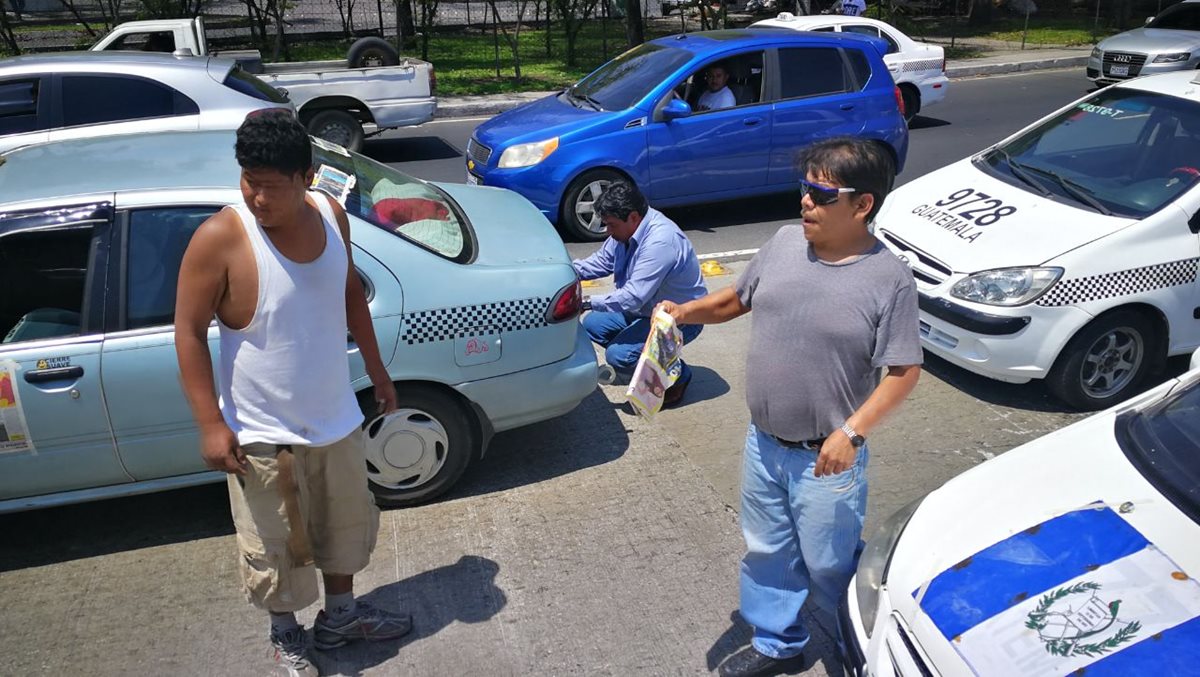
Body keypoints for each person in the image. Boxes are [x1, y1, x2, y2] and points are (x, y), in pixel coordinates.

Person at [659, 137, 921, 677]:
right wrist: (685, 312)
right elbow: (736, 300)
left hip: (826, 458)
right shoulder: (782, 244)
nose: (805, 202)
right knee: (769, 551)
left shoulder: (888, 278)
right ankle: (778, 643)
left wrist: (852, 432)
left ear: (862, 204)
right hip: (764, 443)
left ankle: (864, 642)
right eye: (804, 188)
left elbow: (902, 371)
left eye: (821, 193)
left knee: (830, 562)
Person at [174, 111, 411, 677]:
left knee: (345, 526)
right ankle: (286, 635)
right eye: (248, 181)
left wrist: (377, 372)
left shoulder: (332, 215)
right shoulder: (220, 238)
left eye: (271, 187)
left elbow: (349, 292)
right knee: (273, 543)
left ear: (307, 176)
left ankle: (342, 617)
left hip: (335, 418)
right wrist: (210, 423)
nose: (257, 198)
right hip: (261, 435)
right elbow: (186, 331)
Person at [573, 181, 707, 407]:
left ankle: (678, 375)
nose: (608, 231)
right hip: (644, 309)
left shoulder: (660, 241)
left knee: (619, 356)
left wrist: (585, 302)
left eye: (612, 225)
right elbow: (601, 262)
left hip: (681, 317)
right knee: (592, 325)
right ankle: (650, 361)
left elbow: (633, 296)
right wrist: (564, 270)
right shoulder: (624, 232)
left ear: (633, 217)